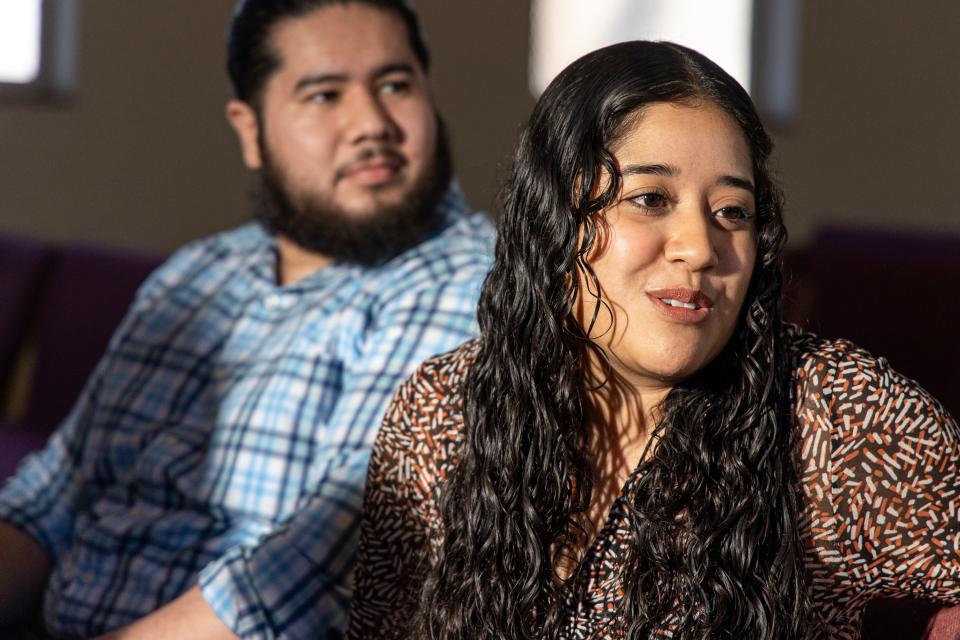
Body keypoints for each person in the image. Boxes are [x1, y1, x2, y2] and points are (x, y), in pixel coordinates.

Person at [346, 40, 960, 639]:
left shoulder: (842, 418)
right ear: (556, 218)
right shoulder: (441, 413)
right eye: (650, 199)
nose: (699, 247)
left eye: (732, 212)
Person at [0, 0, 493, 638]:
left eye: (395, 85)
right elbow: (51, 495)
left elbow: (319, 568)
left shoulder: (475, 288)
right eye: (324, 95)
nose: (371, 123)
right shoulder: (197, 272)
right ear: (251, 130)